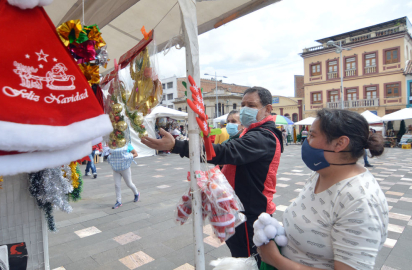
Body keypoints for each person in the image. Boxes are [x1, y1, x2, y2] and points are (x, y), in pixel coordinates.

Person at [141, 87, 283, 262]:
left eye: (251, 105)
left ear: (268, 109)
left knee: (249, 261)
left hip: (252, 214)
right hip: (239, 209)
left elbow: (225, 152)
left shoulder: (264, 137)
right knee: (240, 257)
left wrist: (176, 145)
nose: (245, 109)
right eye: (243, 104)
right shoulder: (250, 132)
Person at [258, 108, 388, 270]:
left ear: (340, 143)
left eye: (312, 135)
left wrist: (276, 260)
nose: (306, 141)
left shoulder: (359, 200)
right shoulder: (322, 173)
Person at [108, 143, 140, 209]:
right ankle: (118, 201)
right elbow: (111, 155)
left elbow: (136, 154)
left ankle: (136, 193)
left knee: (129, 184)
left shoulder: (127, 145)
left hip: (125, 168)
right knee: (117, 185)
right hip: (115, 169)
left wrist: (127, 157)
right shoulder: (113, 145)